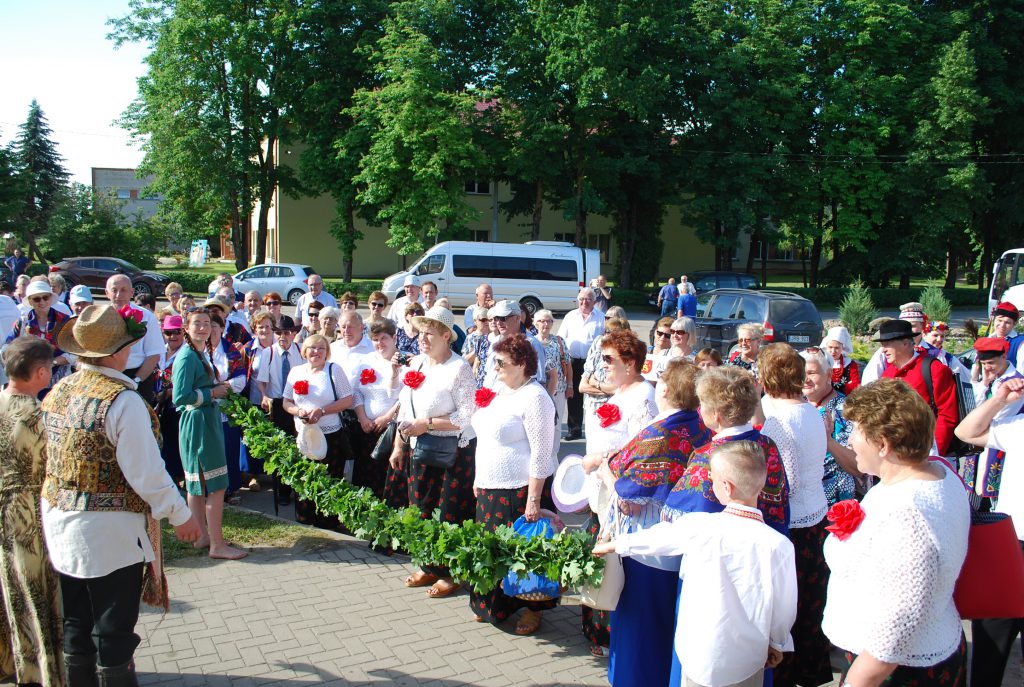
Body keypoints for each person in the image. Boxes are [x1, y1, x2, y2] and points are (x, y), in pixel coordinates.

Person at [41, 305, 203, 685]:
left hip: (61, 524)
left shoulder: (61, 389)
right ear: (115, 353)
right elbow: (146, 473)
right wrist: (181, 516)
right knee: (112, 630)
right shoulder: (122, 401)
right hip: (109, 535)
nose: (131, 351)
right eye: (128, 345)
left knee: (76, 622)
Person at [595, 440, 797, 687]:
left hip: (699, 654)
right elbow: (785, 604)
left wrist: (614, 545)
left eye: (712, 481)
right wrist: (778, 641)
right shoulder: (778, 545)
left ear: (726, 487)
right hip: (747, 658)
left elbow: (658, 538)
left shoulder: (700, 526)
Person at [826, 379, 970, 686]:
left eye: (856, 431)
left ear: (883, 444)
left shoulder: (906, 514)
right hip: (933, 640)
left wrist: (856, 681)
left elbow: (893, 631)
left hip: (898, 670)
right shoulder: (939, 471)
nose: (850, 441)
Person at [603, 359, 713, 687]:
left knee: (640, 634)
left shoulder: (662, 431)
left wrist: (605, 470)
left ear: (665, 389)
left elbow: (627, 493)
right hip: (681, 547)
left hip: (647, 547)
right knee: (667, 627)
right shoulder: (699, 424)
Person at [469, 333, 557, 634]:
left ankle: (533, 607)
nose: (495, 367)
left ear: (521, 364)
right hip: (491, 486)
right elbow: (484, 438)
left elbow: (542, 454)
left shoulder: (536, 398)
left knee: (524, 551)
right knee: (493, 550)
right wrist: (480, 478)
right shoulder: (500, 390)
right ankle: (494, 603)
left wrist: (533, 499)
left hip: (521, 489)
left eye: (501, 362)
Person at [757, 345, 831, 687]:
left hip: (793, 523)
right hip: (816, 516)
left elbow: (786, 481)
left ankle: (785, 675)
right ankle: (808, 670)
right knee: (808, 607)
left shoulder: (777, 419)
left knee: (787, 610)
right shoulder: (810, 411)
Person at [388, 307, 475, 599]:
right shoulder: (419, 364)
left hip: (453, 452)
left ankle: (451, 573)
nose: (423, 338)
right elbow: (405, 404)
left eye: (430, 333)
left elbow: (467, 416)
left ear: (447, 336)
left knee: (450, 511)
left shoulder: (459, 368)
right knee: (421, 506)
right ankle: (428, 564)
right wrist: (400, 443)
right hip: (420, 448)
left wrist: (426, 424)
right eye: (421, 332)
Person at [580, 328, 657, 659]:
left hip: (622, 494)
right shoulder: (618, 393)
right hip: (601, 488)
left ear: (630, 362)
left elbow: (644, 450)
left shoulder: (644, 397)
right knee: (600, 559)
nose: (604, 364)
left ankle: (613, 636)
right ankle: (595, 627)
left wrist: (600, 460)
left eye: (609, 359)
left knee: (616, 565)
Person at [0, 338, 63, 687]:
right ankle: (44, 671)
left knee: (10, 587)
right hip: (30, 512)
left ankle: (12, 660)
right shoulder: (37, 416)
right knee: (37, 590)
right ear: (39, 372)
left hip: (2, 509)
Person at [172, 307, 247, 561]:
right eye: (197, 324)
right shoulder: (187, 357)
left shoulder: (197, 353)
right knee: (215, 485)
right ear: (187, 327)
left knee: (198, 484)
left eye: (207, 323)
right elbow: (180, 397)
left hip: (201, 420)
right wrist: (212, 393)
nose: (203, 328)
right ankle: (217, 544)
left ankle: (203, 536)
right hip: (199, 420)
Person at [283, 334, 354, 526]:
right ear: (304, 351)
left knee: (329, 480)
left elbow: (348, 400)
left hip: (330, 436)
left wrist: (322, 411)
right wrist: (298, 411)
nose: (316, 352)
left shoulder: (333, 370)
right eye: (312, 348)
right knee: (305, 478)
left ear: (327, 352)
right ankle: (305, 519)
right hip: (305, 437)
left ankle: (328, 522)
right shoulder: (296, 372)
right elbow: (286, 401)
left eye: (321, 348)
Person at [875, 320, 959, 457]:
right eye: (883, 345)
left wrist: (933, 454)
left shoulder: (934, 369)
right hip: (896, 453)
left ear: (906, 343)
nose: (883, 349)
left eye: (887, 344)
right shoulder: (887, 374)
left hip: (927, 451)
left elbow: (948, 414)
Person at [800, 348, 863, 505]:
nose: (805, 379)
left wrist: (829, 441)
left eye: (812, 373)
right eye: (801, 373)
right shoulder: (798, 405)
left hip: (836, 504)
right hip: (804, 503)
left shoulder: (846, 409)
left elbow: (858, 466)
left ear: (828, 374)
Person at [352, 319, 406, 498]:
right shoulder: (365, 360)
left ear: (394, 337)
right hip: (366, 427)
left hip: (392, 430)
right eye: (375, 339)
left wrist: (387, 418)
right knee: (364, 474)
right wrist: (362, 418)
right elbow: (357, 393)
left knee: (386, 476)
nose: (379, 343)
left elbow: (405, 398)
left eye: (384, 338)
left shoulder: (406, 361)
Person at [256, 315, 305, 505]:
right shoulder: (268, 353)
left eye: (286, 332)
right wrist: (263, 395)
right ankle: (283, 492)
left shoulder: (301, 351)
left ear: (293, 333)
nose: (282, 336)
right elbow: (261, 380)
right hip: (277, 404)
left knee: (300, 445)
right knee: (282, 449)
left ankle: (300, 489)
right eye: (278, 333)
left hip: (298, 403)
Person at [6, 280, 73, 394]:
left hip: (58, 382)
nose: (42, 302)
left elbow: (75, 353)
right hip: (29, 381)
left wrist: (52, 362)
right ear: (30, 302)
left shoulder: (65, 321)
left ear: (50, 299)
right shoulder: (23, 322)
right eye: (36, 299)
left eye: (45, 297)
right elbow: (7, 348)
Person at [106, 275, 163, 406]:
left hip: (138, 376)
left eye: (124, 290)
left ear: (132, 292)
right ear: (107, 293)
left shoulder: (146, 317)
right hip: (107, 376)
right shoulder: (100, 317)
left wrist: (136, 380)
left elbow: (154, 355)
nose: (119, 294)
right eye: (114, 290)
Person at [209, 312, 248, 502]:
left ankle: (231, 489)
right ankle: (210, 488)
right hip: (205, 408)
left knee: (228, 449)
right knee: (209, 451)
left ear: (222, 328)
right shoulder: (197, 350)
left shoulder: (230, 351)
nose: (211, 331)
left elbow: (241, 378)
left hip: (226, 408)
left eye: (215, 327)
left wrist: (222, 388)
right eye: (208, 327)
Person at [561, 288, 606, 440]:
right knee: (573, 396)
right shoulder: (570, 316)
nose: (584, 302)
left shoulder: (601, 317)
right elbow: (561, 337)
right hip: (572, 361)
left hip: (593, 363)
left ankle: (598, 429)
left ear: (594, 301)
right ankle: (574, 429)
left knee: (595, 395)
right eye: (581, 299)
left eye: (588, 299)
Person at [481, 300, 550, 390]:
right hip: (492, 395)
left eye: (503, 318)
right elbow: (490, 372)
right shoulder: (496, 341)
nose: (498, 322)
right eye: (497, 318)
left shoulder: (532, 344)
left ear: (518, 318)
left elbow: (539, 381)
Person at [861, 302, 928, 383]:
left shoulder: (935, 355)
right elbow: (869, 384)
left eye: (913, 326)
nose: (907, 331)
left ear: (922, 326)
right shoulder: (882, 356)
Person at [155, 314, 186, 484]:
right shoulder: (159, 351)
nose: (173, 336)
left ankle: (178, 474)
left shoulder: (186, 353)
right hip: (158, 403)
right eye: (168, 333)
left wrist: (169, 392)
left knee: (176, 439)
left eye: (177, 332)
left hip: (177, 403)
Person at [534, 309, 572, 435]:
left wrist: (570, 385)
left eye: (548, 321)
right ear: (535, 323)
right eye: (541, 321)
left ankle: (554, 454)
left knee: (556, 424)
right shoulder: (531, 342)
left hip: (558, 389)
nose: (545, 324)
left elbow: (568, 363)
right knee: (538, 424)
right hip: (537, 389)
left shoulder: (559, 341)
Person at [820, 325, 860, 395]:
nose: (833, 351)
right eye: (830, 347)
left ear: (842, 348)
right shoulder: (821, 362)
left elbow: (856, 384)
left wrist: (840, 389)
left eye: (836, 348)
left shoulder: (850, 364)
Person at [988, 300, 1024, 371]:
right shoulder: (989, 339)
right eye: (999, 320)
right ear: (994, 320)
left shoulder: (1020, 343)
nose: (1002, 325)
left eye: (1007, 322)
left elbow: (1021, 372)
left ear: (1014, 324)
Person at [461, 307, 491, 388]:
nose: (487, 322)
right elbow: (464, 361)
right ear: (475, 321)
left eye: (489, 319)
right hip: (475, 378)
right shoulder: (471, 337)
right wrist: (477, 352)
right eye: (483, 320)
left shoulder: (494, 336)